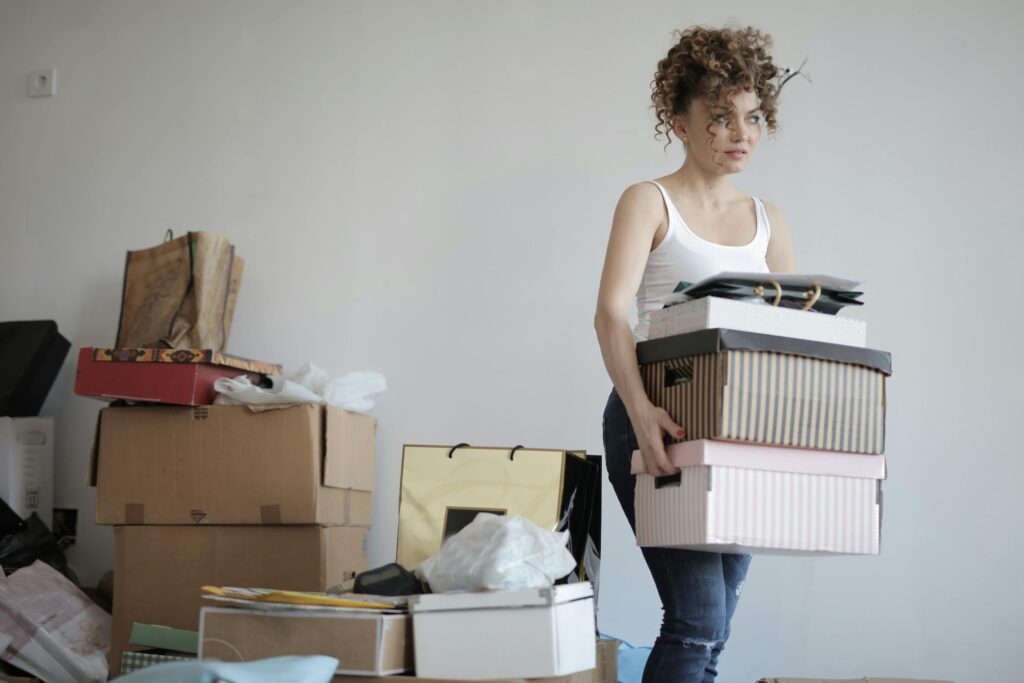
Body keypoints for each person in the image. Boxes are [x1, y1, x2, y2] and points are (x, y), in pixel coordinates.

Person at [593, 25, 798, 682]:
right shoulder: (648, 201)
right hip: (657, 415)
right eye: (719, 118)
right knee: (697, 616)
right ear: (678, 124)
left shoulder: (770, 220)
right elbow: (610, 314)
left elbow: (789, 339)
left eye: (752, 117)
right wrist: (641, 410)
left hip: (739, 431)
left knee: (716, 623)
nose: (741, 133)